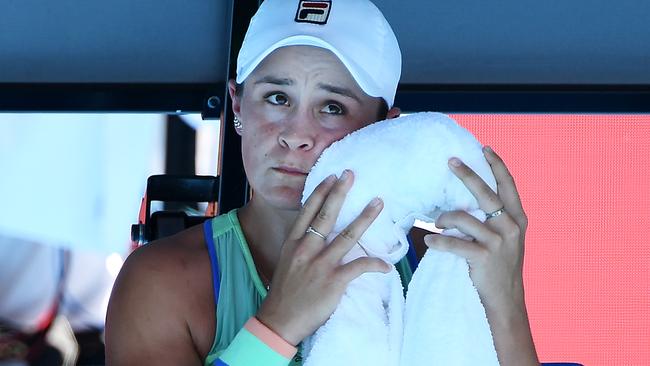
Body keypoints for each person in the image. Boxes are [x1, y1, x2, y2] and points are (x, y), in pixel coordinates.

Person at [105, 0, 539, 365]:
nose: (296, 134)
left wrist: (507, 301)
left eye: (332, 107)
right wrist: (278, 325)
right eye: (277, 98)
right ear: (237, 105)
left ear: (382, 128)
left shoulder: (439, 265)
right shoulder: (162, 280)